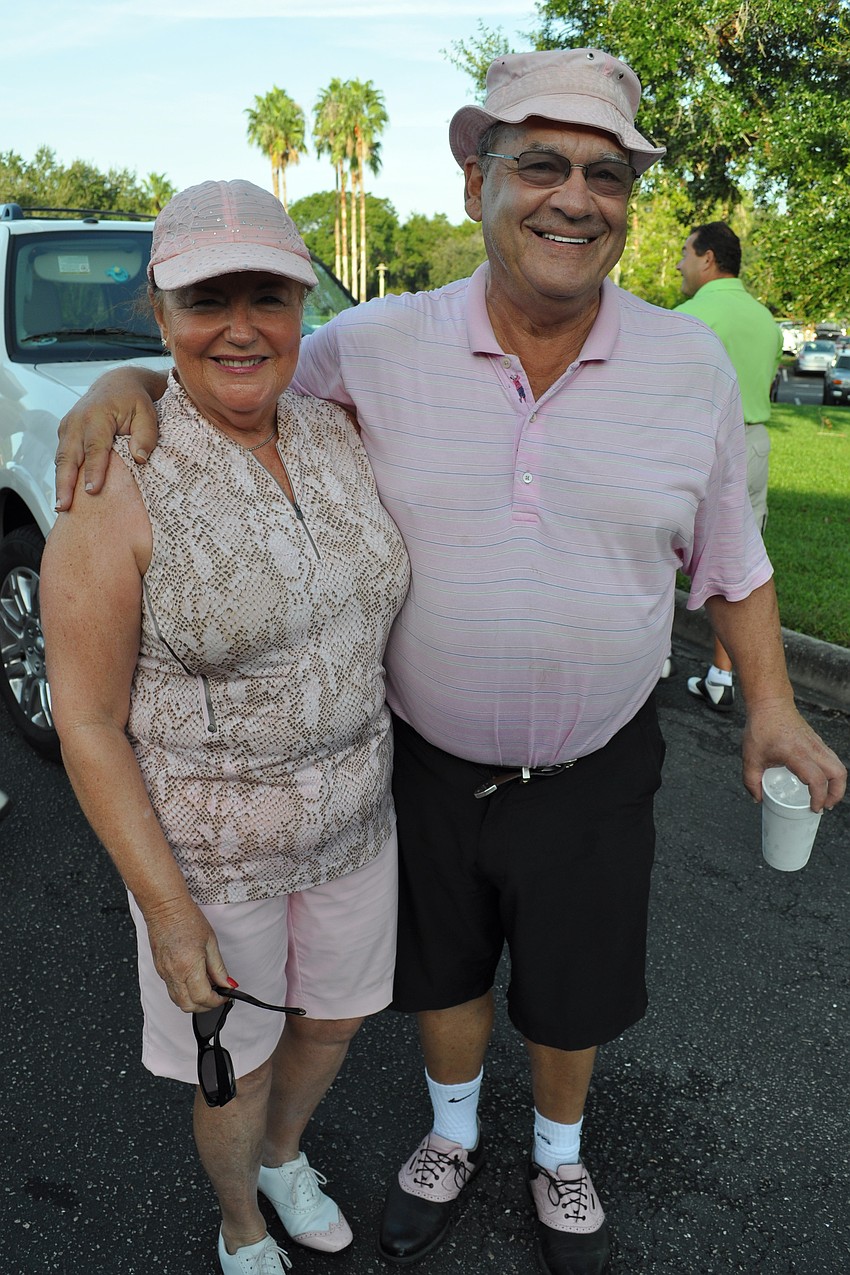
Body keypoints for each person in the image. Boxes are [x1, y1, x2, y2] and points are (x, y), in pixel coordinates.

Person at [54, 51, 846, 1275]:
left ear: (630, 199)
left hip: (598, 758)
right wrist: (119, 384)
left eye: (603, 172)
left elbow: (731, 558)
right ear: (476, 177)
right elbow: (228, 375)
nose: (571, 197)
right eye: (538, 163)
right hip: (421, 762)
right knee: (444, 976)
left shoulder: (686, 367)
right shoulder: (372, 346)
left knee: (575, 992)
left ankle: (562, 1155)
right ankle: (453, 1133)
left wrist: (774, 710)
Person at [41, 180, 410, 1275]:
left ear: (306, 308)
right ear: (159, 314)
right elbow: (90, 722)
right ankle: (239, 1220)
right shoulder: (116, 478)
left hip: (354, 823)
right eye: (206, 299)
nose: (241, 325)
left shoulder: (339, 430)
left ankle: (285, 1161)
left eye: (271, 295)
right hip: (210, 861)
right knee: (233, 1066)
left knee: (334, 1023)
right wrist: (164, 912)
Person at [674, 221, 782, 712]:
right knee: (739, 556)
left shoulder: (689, 318)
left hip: (697, 440)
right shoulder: (766, 319)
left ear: (708, 259)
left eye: (685, 254)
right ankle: (722, 673)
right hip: (754, 443)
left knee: (661, 546)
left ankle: (656, 658)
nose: (679, 263)